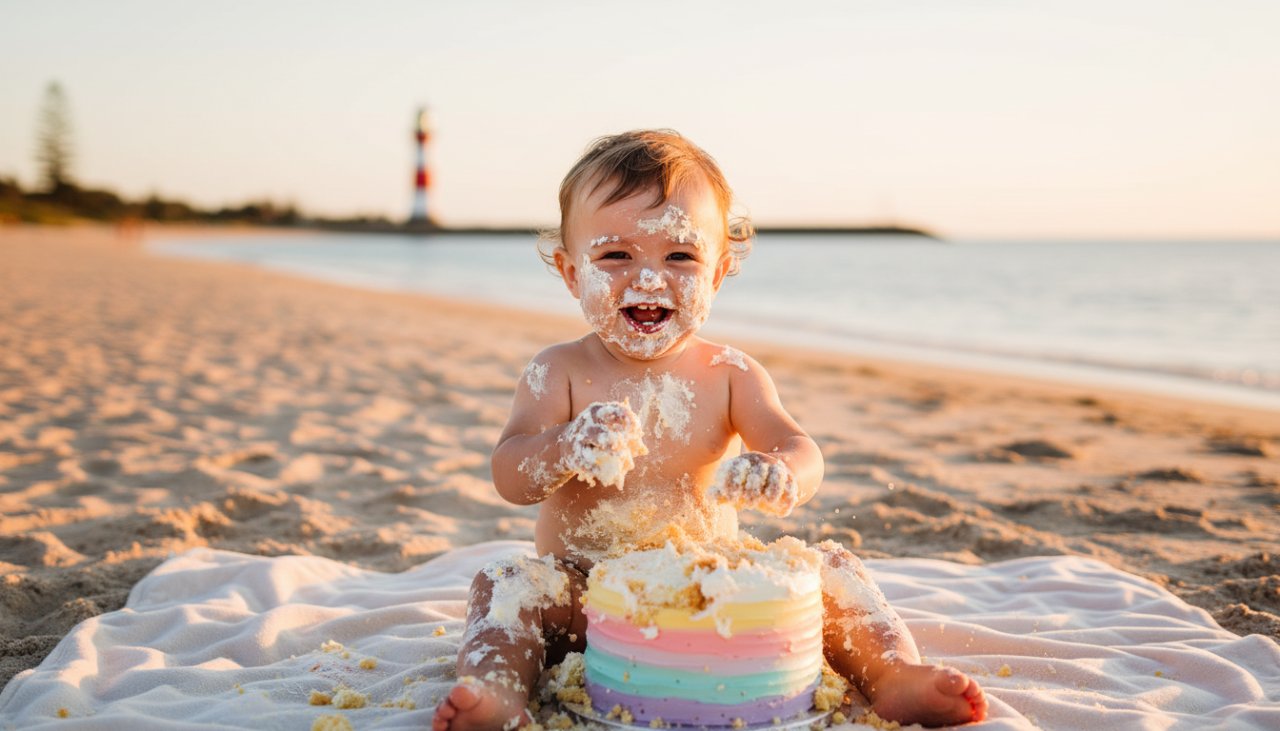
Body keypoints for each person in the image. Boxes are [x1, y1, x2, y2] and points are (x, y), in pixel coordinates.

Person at [432, 130, 987, 730]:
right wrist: (565, 447)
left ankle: (893, 674)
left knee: (834, 567)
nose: (648, 280)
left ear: (718, 272)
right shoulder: (557, 371)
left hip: (715, 588)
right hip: (585, 598)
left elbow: (800, 448)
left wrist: (780, 471)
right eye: (615, 256)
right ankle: (497, 691)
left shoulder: (730, 374)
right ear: (571, 273)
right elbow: (511, 475)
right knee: (506, 583)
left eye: (680, 257)